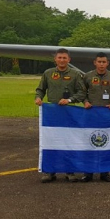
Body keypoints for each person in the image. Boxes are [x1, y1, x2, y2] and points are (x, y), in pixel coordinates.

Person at [35, 48, 86, 183]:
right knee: (51, 141)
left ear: (69, 60)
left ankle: (70, 172)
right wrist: (38, 98)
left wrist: (69, 100)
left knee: (69, 142)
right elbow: (40, 89)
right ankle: (49, 172)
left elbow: (82, 93)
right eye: (60, 58)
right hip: (52, 114)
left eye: (65, 58)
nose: (62, 60)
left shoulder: (75, 74)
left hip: (69, 112)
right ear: (55, 59)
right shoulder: (48, 73)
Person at [81, 52, 110, 183]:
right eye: (99, 62)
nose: (101, 64)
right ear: (95, 62)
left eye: (104, 62)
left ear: (107, 63)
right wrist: (85, 101)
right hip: (91, 114)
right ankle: (88, 173)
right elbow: (81, 92)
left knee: (106, 142)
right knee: (89, 142)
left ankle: (105, 173)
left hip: (107, 114)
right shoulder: (87, 76)